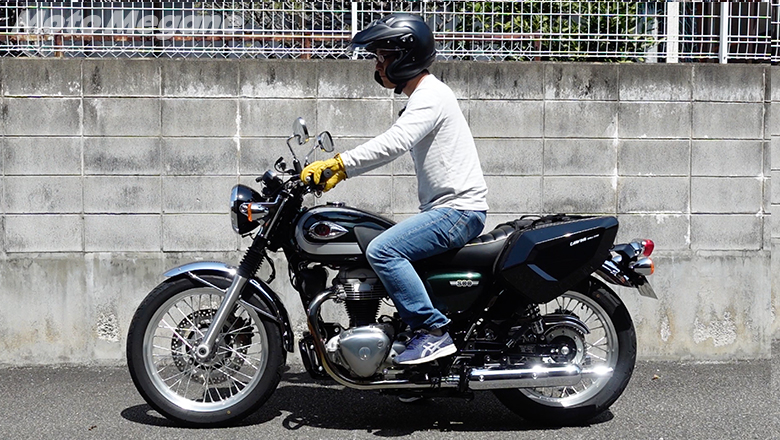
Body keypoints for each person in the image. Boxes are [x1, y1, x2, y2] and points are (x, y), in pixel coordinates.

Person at [301, 14, 488, 365]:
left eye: (382, 56)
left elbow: (394, 143)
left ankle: (431, 332)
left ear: (406, 57)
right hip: (448, 211)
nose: (377, 64)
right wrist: (339, 168)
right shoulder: (424, 96)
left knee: (383, 249)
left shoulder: (431, 95)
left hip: (458, 212)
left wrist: (339, 165)